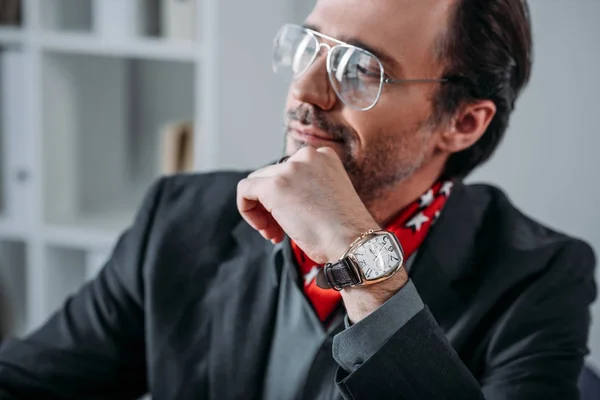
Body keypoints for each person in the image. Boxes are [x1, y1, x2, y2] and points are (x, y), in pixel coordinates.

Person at [0, 0, 596, 398]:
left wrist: (360, 256)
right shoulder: (179, 217)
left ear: (463, 123)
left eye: (360, 69)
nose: (306, 89)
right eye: (310, 47)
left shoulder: (540, 277)